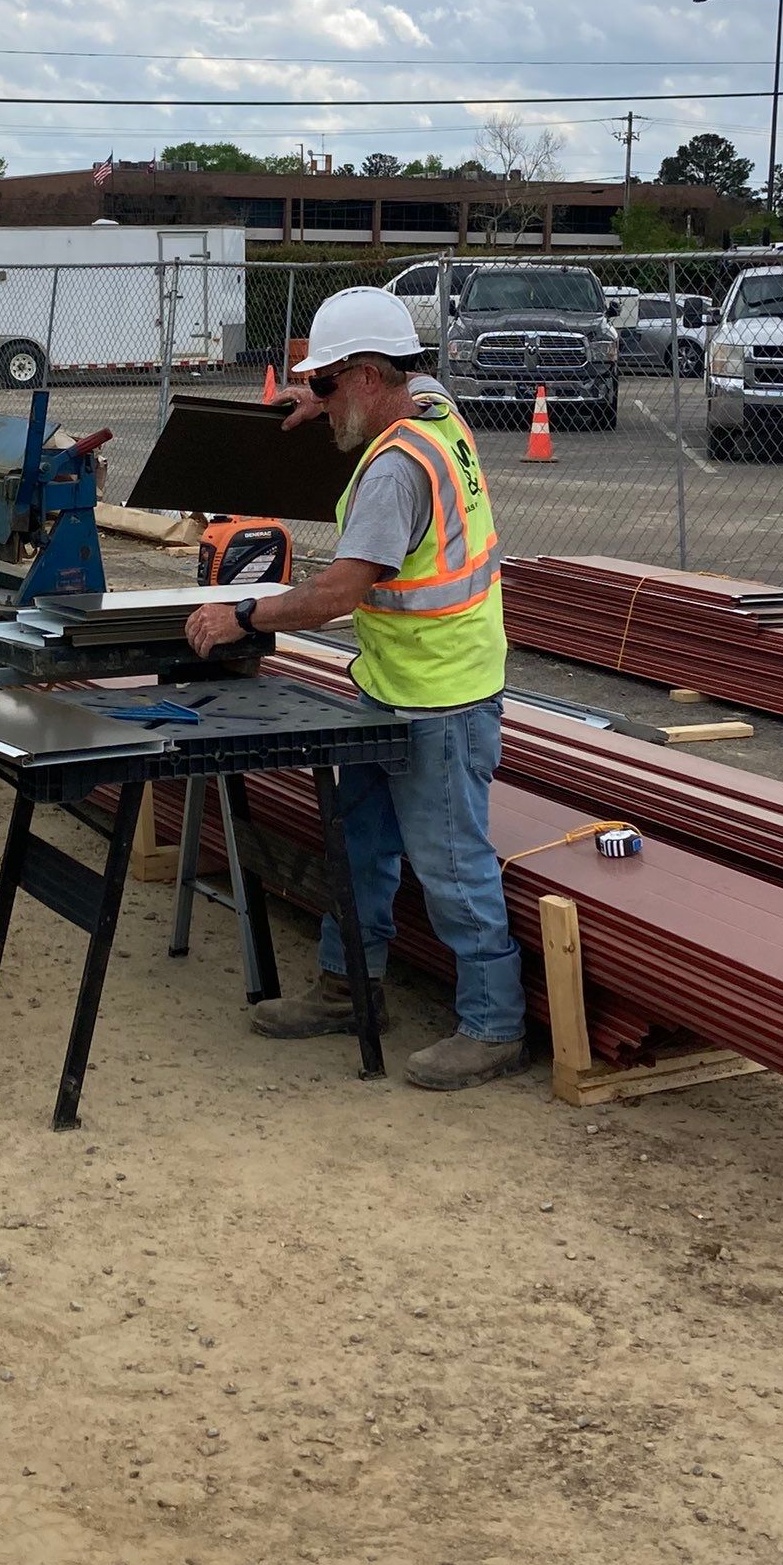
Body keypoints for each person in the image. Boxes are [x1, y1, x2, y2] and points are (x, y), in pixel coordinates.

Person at [183, 284, 527, 1087]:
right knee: (360, 842)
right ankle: (346, 988)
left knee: (450, 864)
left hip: (440, 698)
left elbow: (339, 592)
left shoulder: (397, 472)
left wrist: (246, 616)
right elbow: (411, 382)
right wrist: (315, 397)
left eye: (332, 382)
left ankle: (494, 1024)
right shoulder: (433, 411)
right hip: (399, 683)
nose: (322, 398)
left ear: (372, 377)